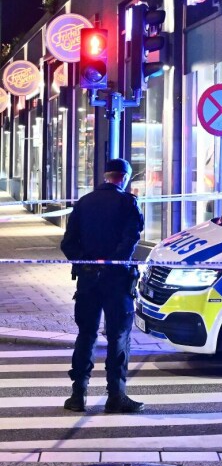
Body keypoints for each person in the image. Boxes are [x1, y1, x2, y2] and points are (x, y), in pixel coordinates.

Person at [61, 158, 145, 414]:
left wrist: (87, 263)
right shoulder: (127, 202)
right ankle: (116, 396)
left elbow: (68, 244)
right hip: (117, 281)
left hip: (87, 281)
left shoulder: (84, 203)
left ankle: (78, 395)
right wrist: (113, 263)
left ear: (106, 175)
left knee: (86, 334)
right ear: (125, 177)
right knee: (118, 336)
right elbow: (130, 240)